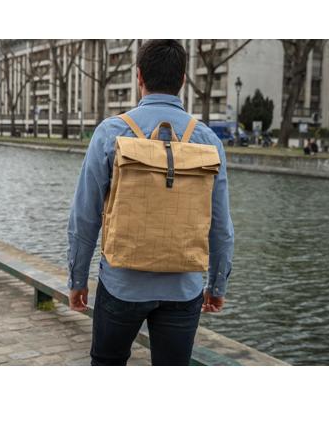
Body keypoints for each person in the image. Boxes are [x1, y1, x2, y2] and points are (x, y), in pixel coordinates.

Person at [67, 40, 234, 366]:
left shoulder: (110, 132)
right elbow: (220, 225)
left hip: (122, 284)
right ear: (183, 79)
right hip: (183, 287)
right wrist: (217, 285)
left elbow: (84, 218)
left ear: (139, 76)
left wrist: (77, 279)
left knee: (107, 364)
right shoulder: (208, 140)